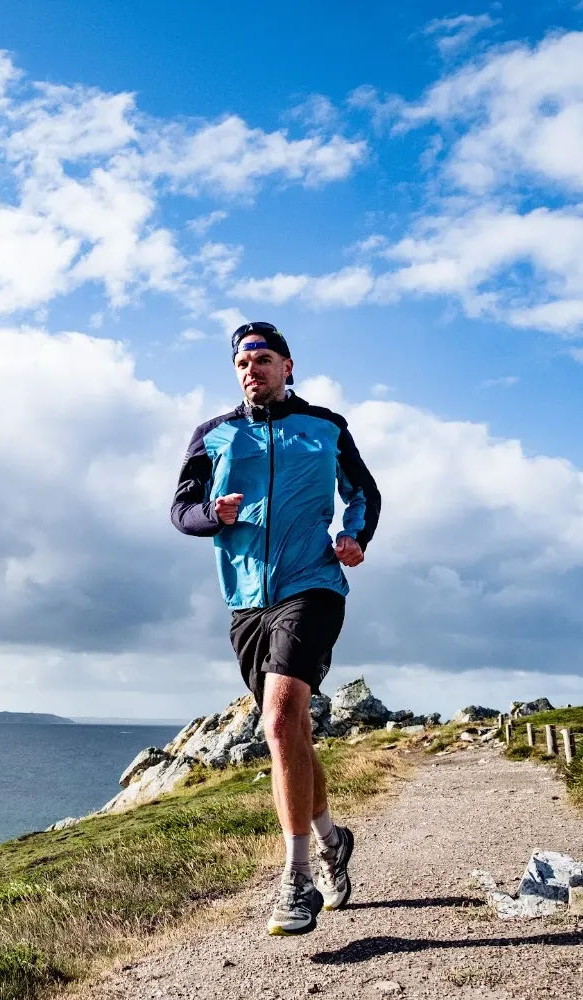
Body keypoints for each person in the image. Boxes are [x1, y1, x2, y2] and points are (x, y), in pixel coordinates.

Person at [170, 320, 381, 936]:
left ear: (288, 365)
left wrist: (353, 535)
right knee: (291, 735)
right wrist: (212, 514)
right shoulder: (214, 435)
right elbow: (179, 509)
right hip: (245, 601)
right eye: (240, 361)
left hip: (312, 583)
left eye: (261, 358)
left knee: (283, 715)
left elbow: (362, 493)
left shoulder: (326, 427)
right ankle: (331, 836)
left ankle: (296, 880)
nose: (250, 368)